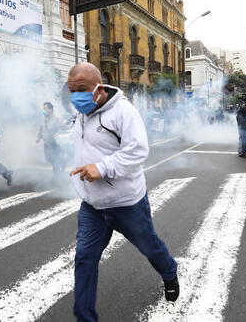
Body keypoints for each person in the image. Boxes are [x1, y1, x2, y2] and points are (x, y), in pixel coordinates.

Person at [67, 63, 178, 322]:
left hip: (126, 204)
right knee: (84, 258)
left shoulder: (123, 112)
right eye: (71, 90)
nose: (76, 96)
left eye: (81, 89)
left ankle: (169, 272)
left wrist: (103, 168)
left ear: (99, 86)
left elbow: (137, 151)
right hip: (93, 206)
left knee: (151, 248)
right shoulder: (81, 113)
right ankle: (84, 318)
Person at [36, 102, 65, 173]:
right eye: (43, 109)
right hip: (47, 143)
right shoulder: (43, 119)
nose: (43, 110)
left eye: (45, 109)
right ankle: (62, 162)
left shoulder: (57, 118)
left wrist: (60, 136)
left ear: (51, 109)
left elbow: (64, 128)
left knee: (55, 159)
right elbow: (41, 130)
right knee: (48, 158)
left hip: (55, 143)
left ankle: (56, 175)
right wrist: (38, 138)